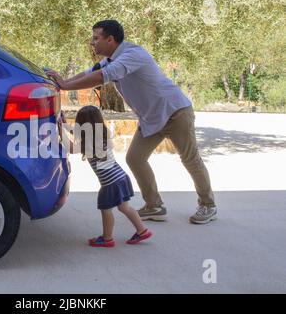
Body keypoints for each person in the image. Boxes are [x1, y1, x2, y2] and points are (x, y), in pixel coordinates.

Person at [47, 20, 217, 224]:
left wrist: (66, 86)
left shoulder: (132, 55)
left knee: (190, 159)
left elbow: (102, 76)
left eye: (96, 38)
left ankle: (208, 205)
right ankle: (154, 205)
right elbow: (90, 72)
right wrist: (63, 82)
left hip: (174, 112)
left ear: (110, 39)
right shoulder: (110, 58)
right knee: (135, 158)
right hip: (151, 119)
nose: (92, 43)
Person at [58, 106, 152, 247]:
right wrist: (65, 125)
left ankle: (107, 238)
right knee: (125, 208)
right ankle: (142, 230)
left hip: (109, 183)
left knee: (106, 210)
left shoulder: (90, 143)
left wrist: (60, 130)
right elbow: (78, 133)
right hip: (120, 177)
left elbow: (71, 148)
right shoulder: (101, 135)